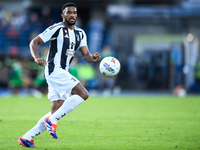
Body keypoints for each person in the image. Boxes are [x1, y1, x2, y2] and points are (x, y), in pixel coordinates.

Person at [18, 2, 101, 148]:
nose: (72, 15)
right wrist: (36, 57)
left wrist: (92, 57)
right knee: (83, 93)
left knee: (55, 110)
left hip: (63, 71)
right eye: (69, 12)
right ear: (63, 15)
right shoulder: (57, 28)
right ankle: (53, 120)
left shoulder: (80, 33)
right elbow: (34, 42)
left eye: (74, 13)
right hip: (54, 69)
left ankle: (26, 137)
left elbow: (86, 55)